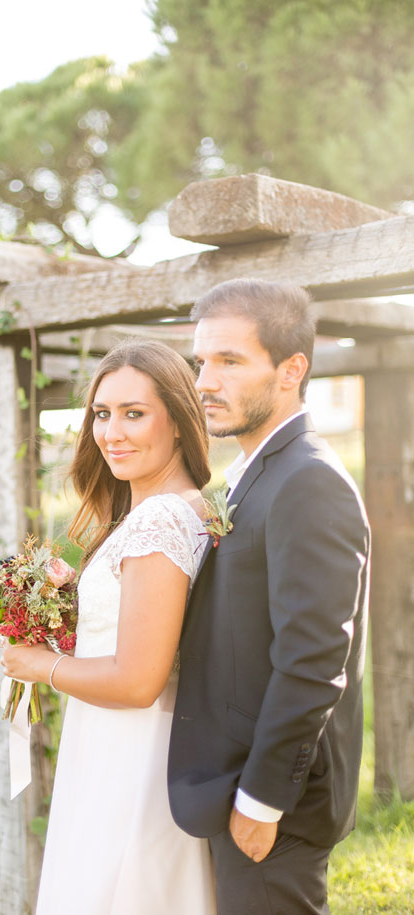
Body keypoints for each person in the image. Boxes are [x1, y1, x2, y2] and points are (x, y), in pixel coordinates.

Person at [168, 278, 370, 914]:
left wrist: (260, 801)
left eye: (230, 361)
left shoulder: (308, 481)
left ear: (292, 369)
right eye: (202, 362)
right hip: (232, 782)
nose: (205, 381)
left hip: (270, 803)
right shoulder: (257, 476)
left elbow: (314, 659)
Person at [2, 339, 217, 915]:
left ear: (178, 421)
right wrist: (66, 608)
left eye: (134, 413)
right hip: (125, 747)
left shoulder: (159, 520)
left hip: (130, 756)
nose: (112, 433)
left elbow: (137, 680)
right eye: (102, 413)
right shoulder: (185, 508)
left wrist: (38, 665)